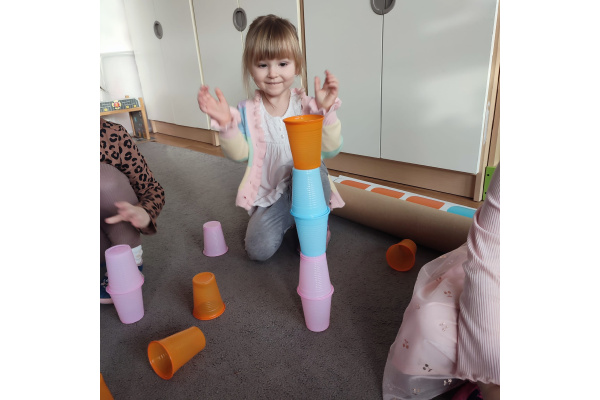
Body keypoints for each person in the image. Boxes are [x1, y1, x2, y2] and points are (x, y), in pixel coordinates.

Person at [197, 14, 344, 261]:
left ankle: (314, 223)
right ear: (250, 68)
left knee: (313, 170)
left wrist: (327, 112)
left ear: (297, 66)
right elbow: (240, 154)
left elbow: (330, 149)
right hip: (273, 198)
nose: (273, 73)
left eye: (283, 64)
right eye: (263, 65)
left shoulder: (308, 105)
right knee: (257, 250)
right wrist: (226, 126)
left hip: (309, 184)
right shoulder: (248, 111)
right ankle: (294, 220)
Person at [382, 165, 500, 400]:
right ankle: (480, 375)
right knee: (427, 324)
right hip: (495, 270)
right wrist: (490, 375)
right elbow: (487, 254)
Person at [100, 118, 165, 304]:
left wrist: (145, 212)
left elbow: (151, 188)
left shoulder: (112, 133)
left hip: (115, 234)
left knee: (103, 177)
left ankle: (129, 258)